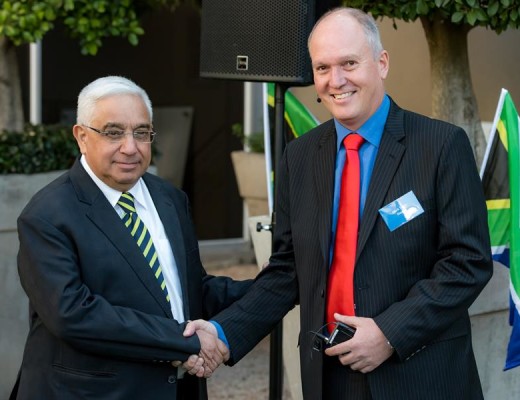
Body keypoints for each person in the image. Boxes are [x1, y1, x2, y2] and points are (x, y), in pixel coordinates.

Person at [184, 7, 494, 399]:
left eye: (349, 63)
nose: (336, 80)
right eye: (322, 68)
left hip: (419, 374)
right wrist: (223, 332)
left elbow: (467, 262)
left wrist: (388, 333)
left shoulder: (441, 146)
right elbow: (288, 270)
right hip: (328, 375)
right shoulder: (299, 156)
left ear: (381, 63)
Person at [10, 76, 251, 400]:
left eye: (141, 132)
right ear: (81, 137)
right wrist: (185, 341)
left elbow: (191, 290)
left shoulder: (169, 198)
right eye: (113, 132)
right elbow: (73, 315)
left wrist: (269, 286)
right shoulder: (47, 215)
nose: (130, 147)